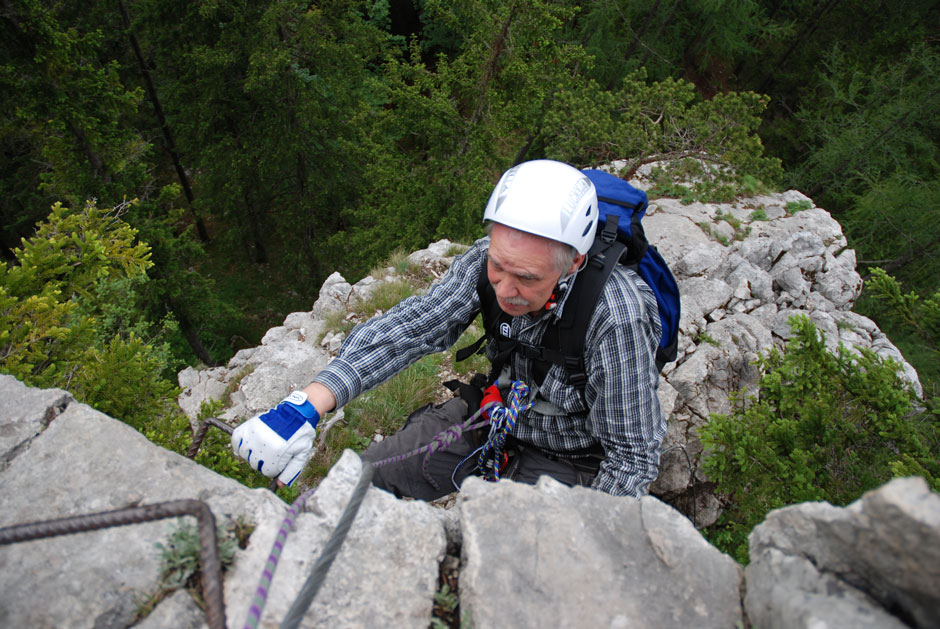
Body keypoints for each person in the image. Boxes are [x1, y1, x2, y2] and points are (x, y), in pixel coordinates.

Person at [231, 159, 665, 499]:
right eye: (498, 266)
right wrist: (306, 405)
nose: (506, 291)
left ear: (573, 262)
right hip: (496, 415)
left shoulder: (616, 315)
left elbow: (631, 457)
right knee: (354, 484)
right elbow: (414, 325)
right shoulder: (484, 260)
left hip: (573, 458)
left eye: (527, 279)